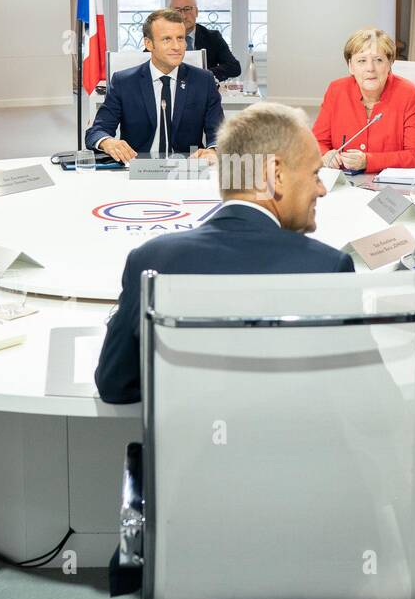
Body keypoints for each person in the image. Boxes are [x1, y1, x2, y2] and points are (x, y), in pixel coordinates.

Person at [95, 102, 355, 404]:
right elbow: (358, 395)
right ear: (276, 175)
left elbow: (115, 385)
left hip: (186, 450)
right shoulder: (327, 269)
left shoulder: (150, 261)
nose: (322, 189)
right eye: (315, 174)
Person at [86, 8, 223, 163]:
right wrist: (108, 142)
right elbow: (96, 132)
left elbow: (219, 134)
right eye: (167, 39)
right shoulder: (124, 82)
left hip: (187, 171)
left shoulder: (203, 81)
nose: (177, 46)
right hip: (138, 171)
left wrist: (213, 150)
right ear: (149, 44)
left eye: (180, 38)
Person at [312, 28, 415, 172]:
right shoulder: (337, 91)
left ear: (390, 64)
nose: (370, 68)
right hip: (352, 186)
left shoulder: (410, 94)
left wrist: (368, 161)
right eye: (361, 61)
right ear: (350, 66)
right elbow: (316, 142)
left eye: (378, 60)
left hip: (407, 188)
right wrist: (325, 155)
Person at [166, 0, 242, 81]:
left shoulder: (212, 37)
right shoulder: (162, 38)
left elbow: (234, 67)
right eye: (177, 11)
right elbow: (146, 63)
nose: (183, 16)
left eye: (187, 9)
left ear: (197, 12)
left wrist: (202, 74)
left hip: (204, 89)